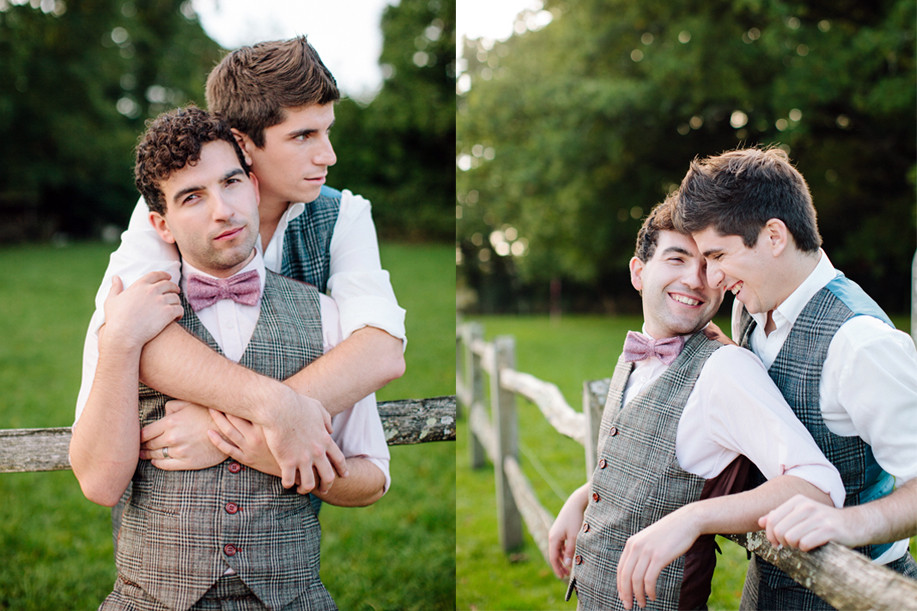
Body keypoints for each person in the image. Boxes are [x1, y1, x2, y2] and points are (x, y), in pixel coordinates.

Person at [71, 106, 389, 609]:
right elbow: (99, 482)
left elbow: (373, 477)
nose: (223, 210)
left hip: (294, 600)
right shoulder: (130, 318)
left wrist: (291, 459)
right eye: (192, 197)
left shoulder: (327, 317)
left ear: (255, 188)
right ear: (162, 224)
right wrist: (117, 345)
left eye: (232, 182)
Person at [76, 36, 405, 493]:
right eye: (303, 136)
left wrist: (228, 433)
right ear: (242, 144)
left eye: (326, 131)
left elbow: (382, 351)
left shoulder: (344, 214)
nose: (328, 155)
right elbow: (139, 341)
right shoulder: (170, 212)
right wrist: (274, 408)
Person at [547, 200, 845, 611]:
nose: (695, 279)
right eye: (677, 259)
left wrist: (696, 517)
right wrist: (583, 497)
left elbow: (817, 486)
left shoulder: (724, 370)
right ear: (638, 272)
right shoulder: (636, 355)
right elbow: (645, 466)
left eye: (708, 264)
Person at [671, 146, 917, 609]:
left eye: (719, 254)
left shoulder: (861, 343)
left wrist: (849, 524)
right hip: (767, 582)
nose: (714, 277)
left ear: (774, 236)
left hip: (854, 590)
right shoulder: (750, 308)